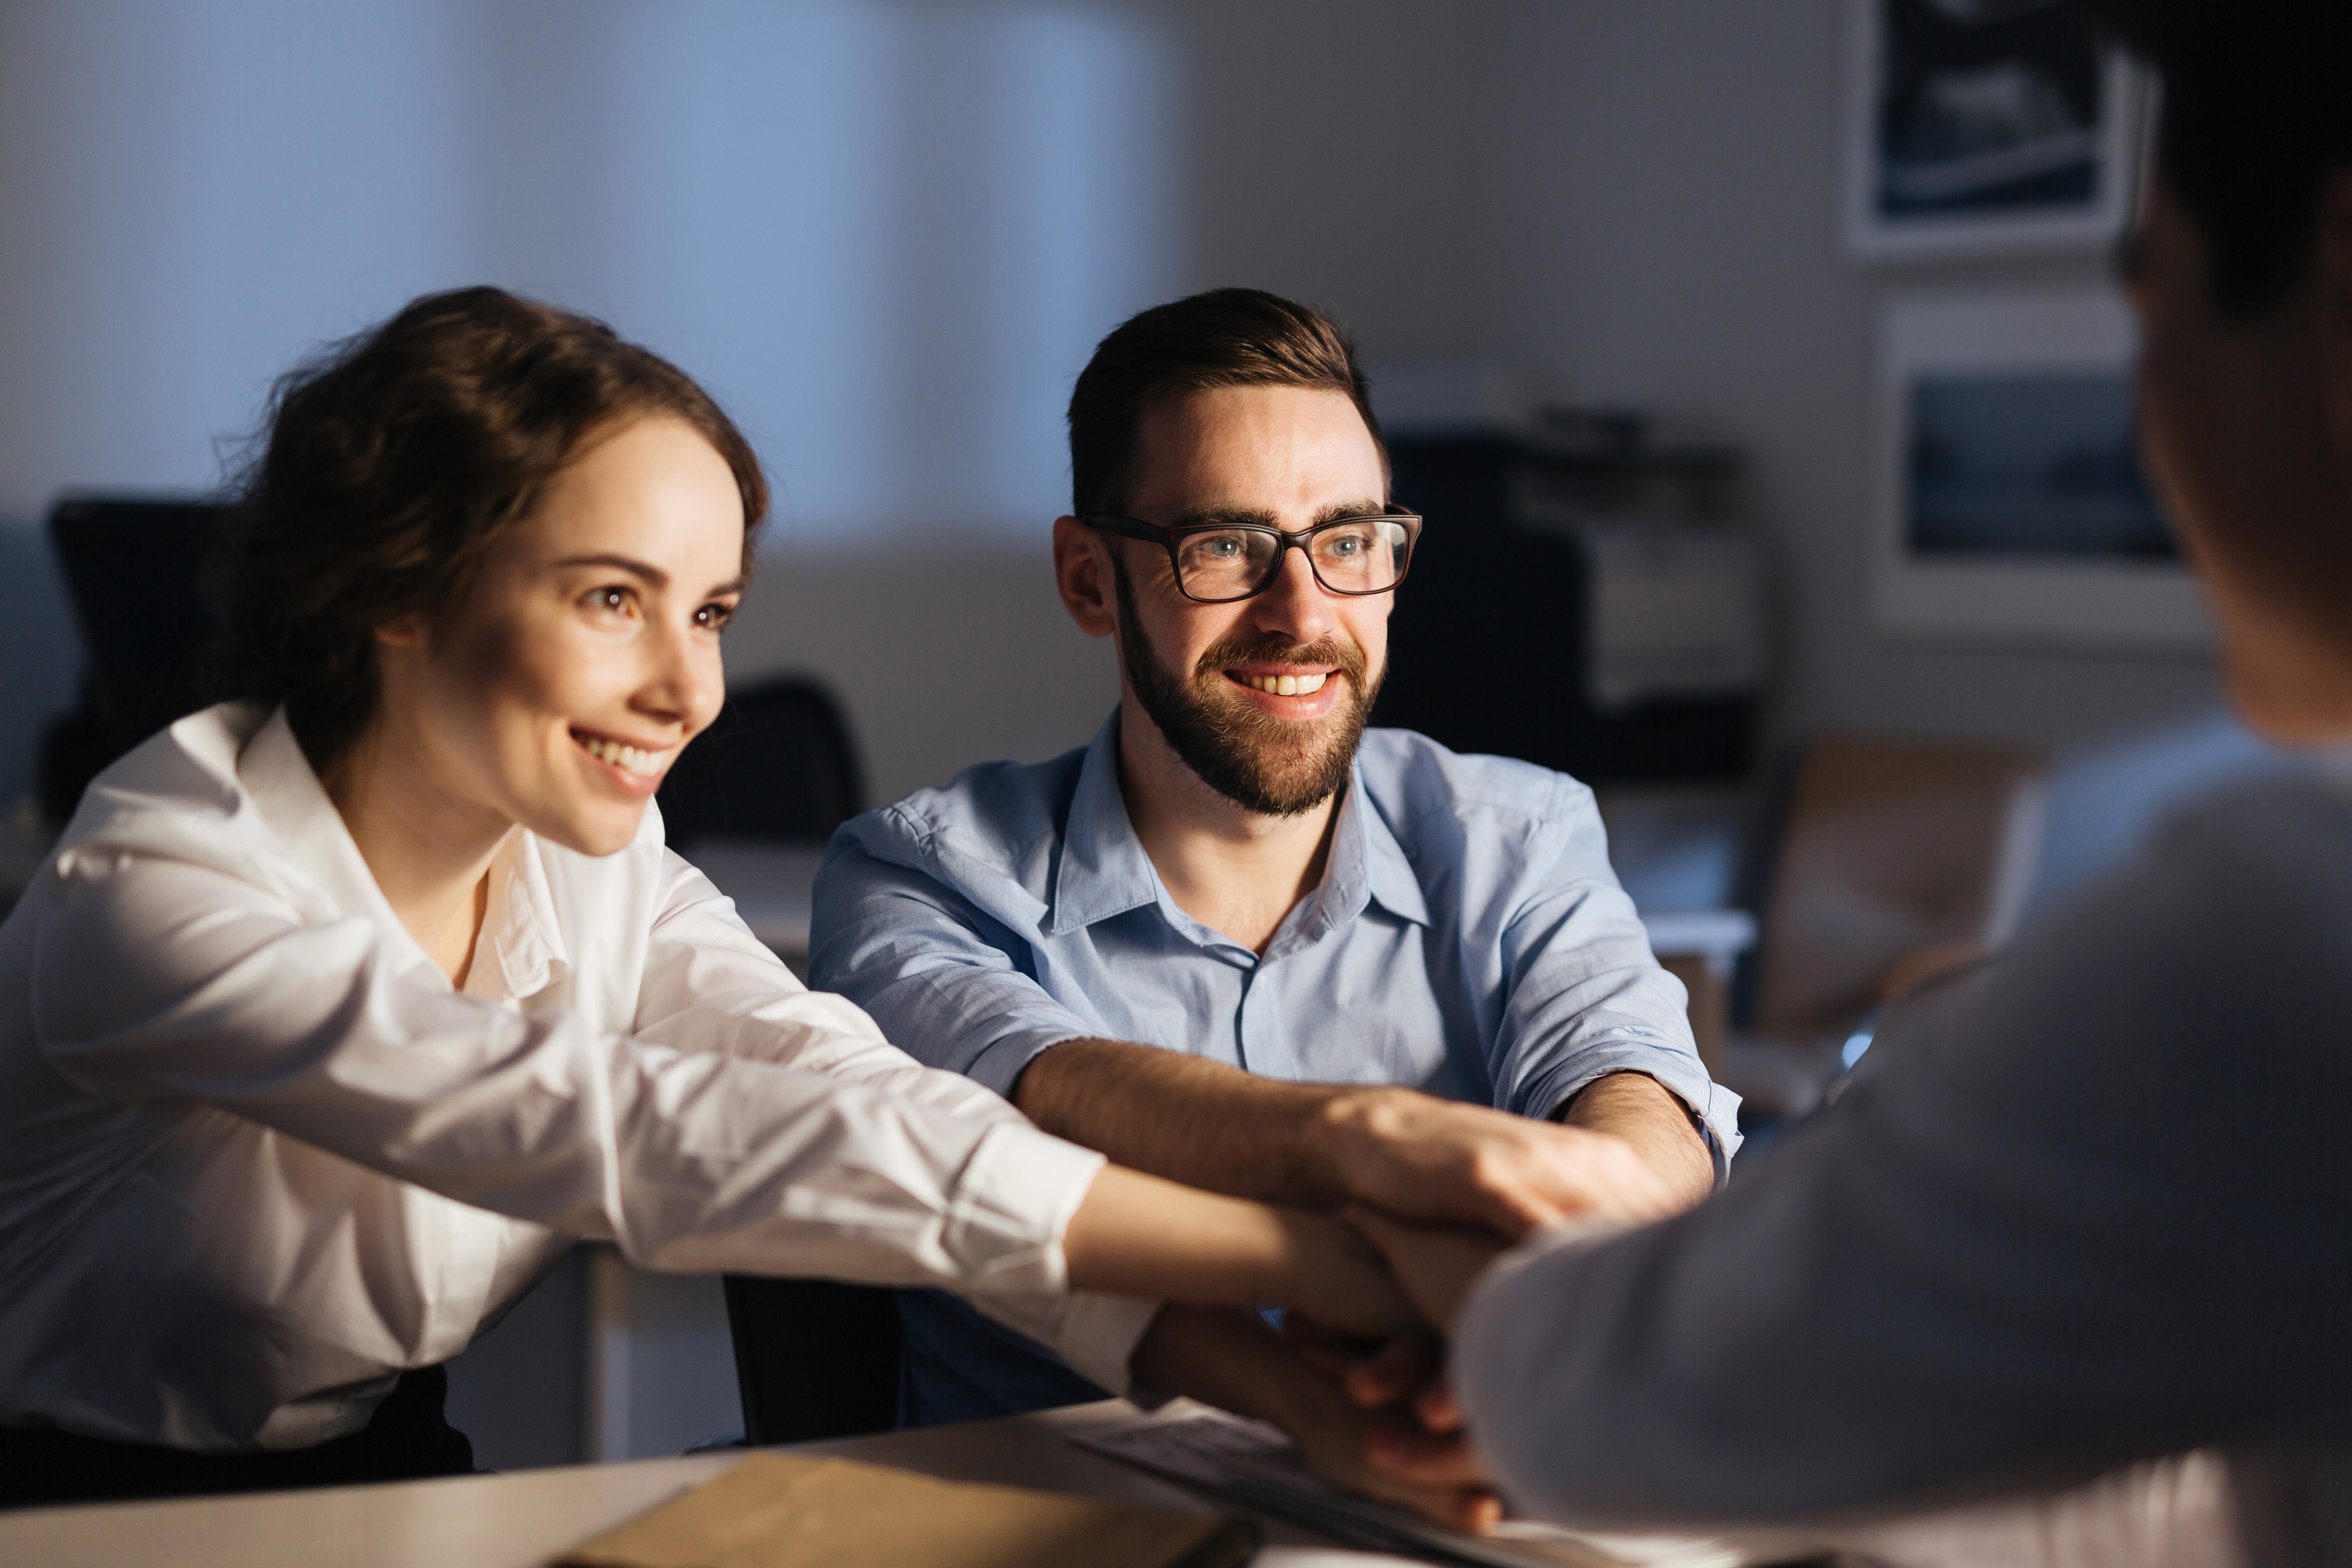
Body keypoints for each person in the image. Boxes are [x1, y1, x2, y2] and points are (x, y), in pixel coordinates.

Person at [0, 287, 1419, 1508]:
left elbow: (873, 1114)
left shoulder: (600, 872)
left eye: (711, 613)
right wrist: (1323, 1255)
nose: (693, 692)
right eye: (614, 601)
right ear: (400, 587)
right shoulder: (159, 887)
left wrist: (1305, 1405)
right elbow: (629, 1131)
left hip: (375, 1483)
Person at [1352, 4, 2352, 1562]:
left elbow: (1634, 1394)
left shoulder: (2287, 937)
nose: (2146, 421)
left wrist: (1404, 1177)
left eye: (2149, 308)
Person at [809, 290, 1737, 1455]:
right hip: (1063, 1519)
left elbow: (1638, 1095)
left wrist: (1566, 1243)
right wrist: (1378, 1165)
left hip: (1435, 1499)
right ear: (1089, 580)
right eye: (1225, 548)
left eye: (1348, 543)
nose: (1302, 615)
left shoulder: (1520, 835)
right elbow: (1041, 1098)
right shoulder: (919, 879)